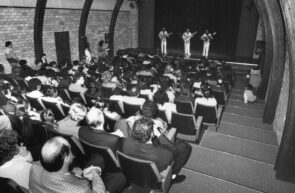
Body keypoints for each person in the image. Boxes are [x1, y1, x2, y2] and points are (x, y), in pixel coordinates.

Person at [122, 118, 191, 183]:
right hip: (154, 173)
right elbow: (173, 149)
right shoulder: (162, 154)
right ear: (152, 133)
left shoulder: (126, 141)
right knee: (184, 146)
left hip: (134, 169)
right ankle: (172, 176)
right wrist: (159, 134)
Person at [29, 136, 107, 193]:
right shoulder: (80, 190)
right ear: (66, 158)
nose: (73, 155)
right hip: (85, 186)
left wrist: (72, 173)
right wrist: (95, 174)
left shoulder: (34, 167)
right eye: (70, 152)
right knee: (117, 175)